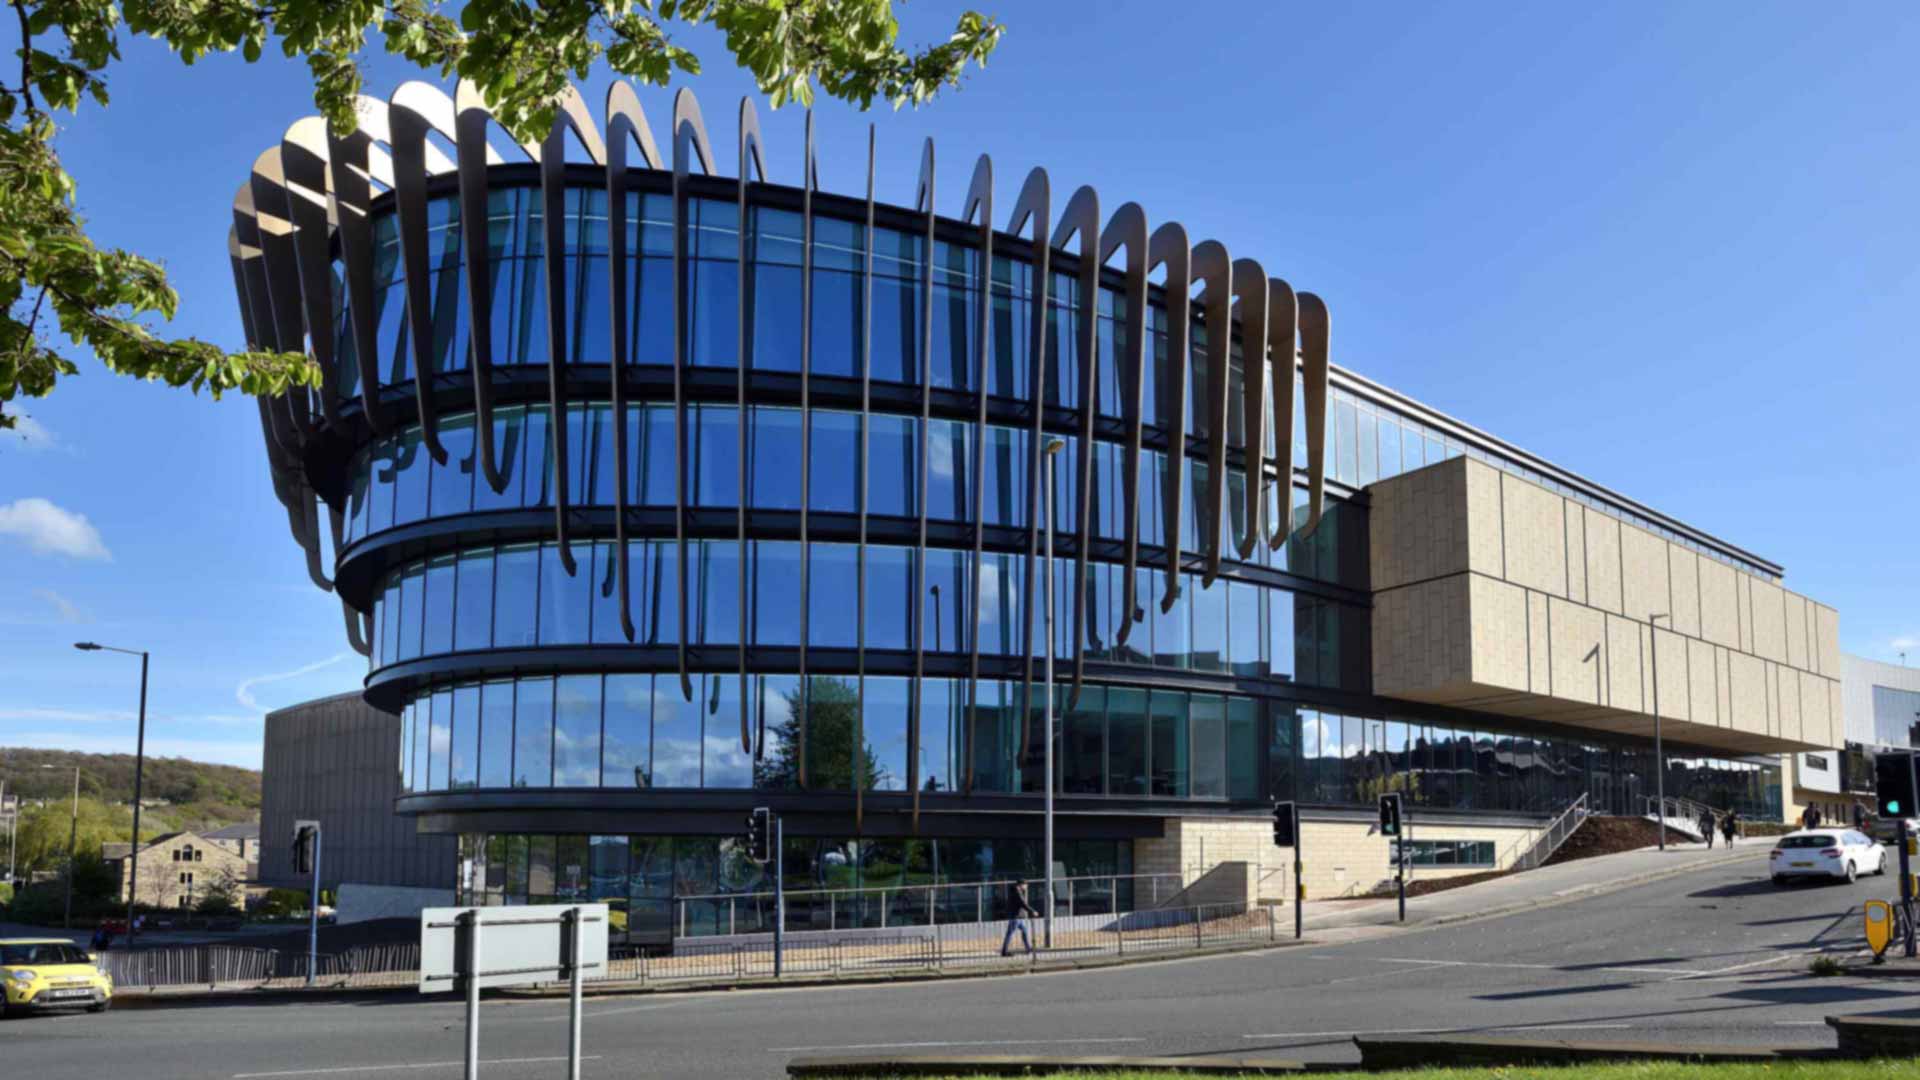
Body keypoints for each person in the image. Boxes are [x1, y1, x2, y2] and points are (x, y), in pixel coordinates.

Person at [1000, 879, 1037, 957]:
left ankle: (1028, 949)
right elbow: (1023, 903)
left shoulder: (1017, 891)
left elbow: (1022, 903)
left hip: (1018, 917)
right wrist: (1032, 911)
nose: (1026, 887)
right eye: (1026, 885)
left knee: (1024, 932)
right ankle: (1004, 951)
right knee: (1010, 934)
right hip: (1015, 917)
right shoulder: (1017, 892)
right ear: (1021, 884)